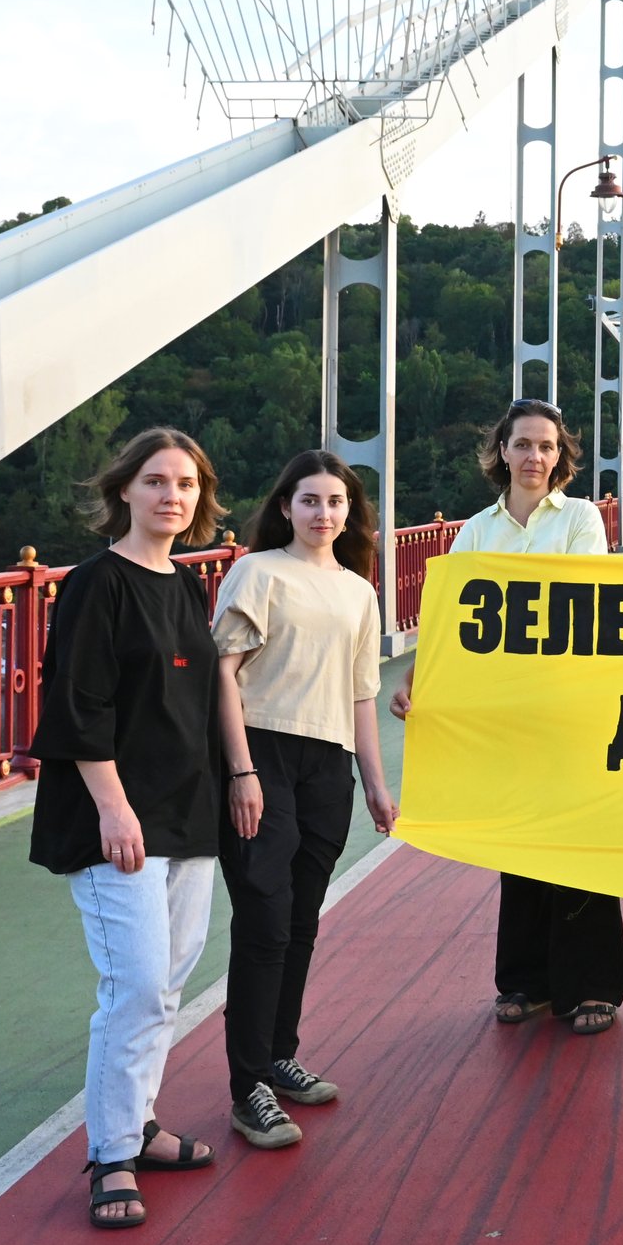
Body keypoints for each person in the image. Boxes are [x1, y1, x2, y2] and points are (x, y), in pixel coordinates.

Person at [26, 428, 227, 1230]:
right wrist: (113, 807)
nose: (170, 496)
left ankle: (139, 1124)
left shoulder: (185, 586)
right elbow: (77, 706)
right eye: (154, 481)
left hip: (187, 810)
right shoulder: (94, 585)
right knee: (135, 983)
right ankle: (110, 1154)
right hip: (120, 819)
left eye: (184, 484)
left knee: (169, 982)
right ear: (124, 492)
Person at [388, 399, 623, 1036]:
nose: (534, 457)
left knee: (578, 840)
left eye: (546, 446)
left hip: (570, 704)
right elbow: (451, 619)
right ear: (502, 452)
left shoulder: (581, 519)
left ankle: (592, 983)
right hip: (505, 714)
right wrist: (415, 681)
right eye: (522, 445)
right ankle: (527, 980)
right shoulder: (476, 532)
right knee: (517, 838)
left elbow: (579, 597)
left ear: (561, 456)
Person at [211, 450, 399, 1152]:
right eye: (311, 500)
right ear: (285, 506)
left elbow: (361, 693)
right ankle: (247, 1085)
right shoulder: (257, 573)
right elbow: (223, 674)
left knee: (300, 920)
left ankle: (278, 1055)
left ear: (351, 513)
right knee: (263, 916)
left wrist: (375, 782)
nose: (324, 513)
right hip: (262, 752)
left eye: (336, 501)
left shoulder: (358, 590)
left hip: (328, 768)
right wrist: (240, 771)